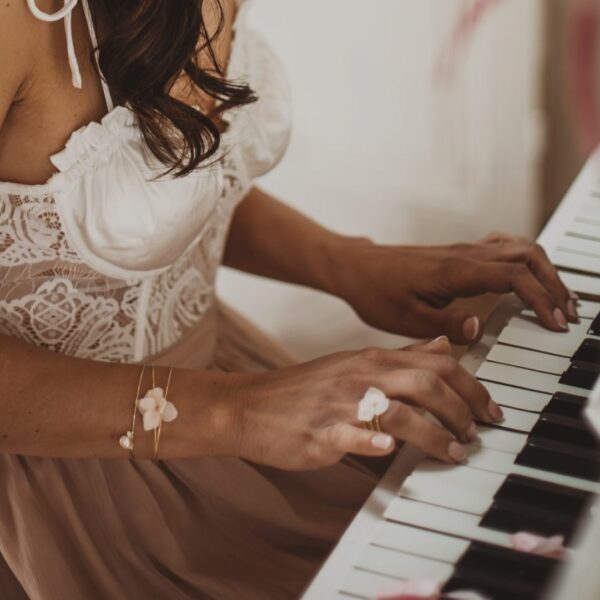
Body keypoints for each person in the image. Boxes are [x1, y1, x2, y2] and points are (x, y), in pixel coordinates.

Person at [0, 1, 579, 598]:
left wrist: (349, 263)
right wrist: (242, 412)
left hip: (218, 392)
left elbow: (164, 180)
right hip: (63, 484)